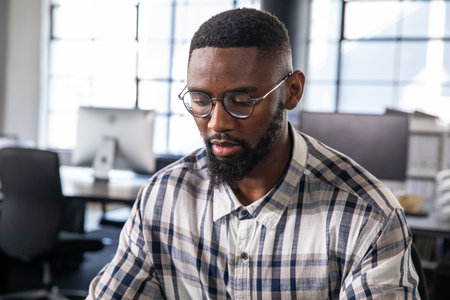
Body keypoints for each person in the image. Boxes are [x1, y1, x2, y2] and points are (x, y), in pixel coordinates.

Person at [87, 7, 419, 299]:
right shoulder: (162, 199)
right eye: (201, 100)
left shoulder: (367, 215)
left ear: (292, 91)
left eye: (241, 101)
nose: (217, 123)